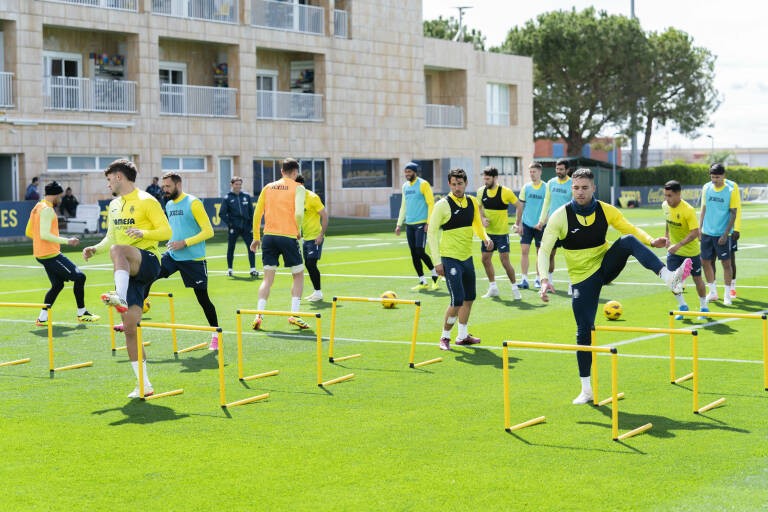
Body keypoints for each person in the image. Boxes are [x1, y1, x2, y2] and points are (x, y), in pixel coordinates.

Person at [537, 168, 692, 404]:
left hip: (605, 265)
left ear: (593, 188)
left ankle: (668, 276)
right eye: (576, 188)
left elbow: (629, 228)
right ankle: (586, 389)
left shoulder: (606, 210)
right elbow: (545, 249)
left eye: (584, 188)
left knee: (627, 241)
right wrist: (544, 279)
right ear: (572, 189)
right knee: (583, 331)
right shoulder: (560, 216)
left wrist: (650, 240)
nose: (580, 192)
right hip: (582, 279)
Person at [83, 159, 172, 399]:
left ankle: (118, 296)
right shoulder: (113, 205)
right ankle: (144, 384)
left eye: (109, 179)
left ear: (120, 177)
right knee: (131, 329)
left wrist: (143, 233)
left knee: (119, 250)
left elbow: (166, 232)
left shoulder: (147, 201)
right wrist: (95, 248)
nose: (108, 183)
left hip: (149, 261)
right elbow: (111, 238)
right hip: (128, 271)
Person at [149, 172, 221, 350]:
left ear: (178, 184)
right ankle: (134, 315)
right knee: (148, 273)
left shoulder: (193, 203)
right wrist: (171, 239)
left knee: (203, 299)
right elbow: (174, 228)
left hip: (194, 259)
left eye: (168, 186)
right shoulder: (169, 203)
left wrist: (184, 242)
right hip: (173, 255)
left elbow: (209, 232)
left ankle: (216, 335)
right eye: (163, 187)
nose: (165, 189)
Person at [427, 168, 493, 351]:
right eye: (454, 184)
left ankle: (462, 335)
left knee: (469, 298)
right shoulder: (442, 205)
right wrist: (437, 262)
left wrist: (486, 238)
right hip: (450, 258)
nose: (457, 187)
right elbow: (431, 233)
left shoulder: (472, 201)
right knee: (457, 301)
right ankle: (444, 336)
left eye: (460, 184)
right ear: (449, 184)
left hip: (467, 258)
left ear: (466, 183)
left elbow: (478, 226)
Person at [25, 181, 100, 326]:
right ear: (55, 195)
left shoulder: (37, 207)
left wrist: (41, 243)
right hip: (50, 254)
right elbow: (45, 235)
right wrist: (67, 241)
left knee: (57, 285)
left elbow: (29, 232)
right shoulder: (47, 210)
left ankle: (42, 318)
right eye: (60, 195)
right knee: (79, 277)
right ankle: (82, 313)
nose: (61, 198)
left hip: (42, 254)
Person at [249, 158, 307, 330]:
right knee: (298, 275)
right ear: (295, 173)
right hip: (287, 236)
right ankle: (294, 314)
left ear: (281, 171)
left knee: (268, 279)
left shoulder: (268, 187)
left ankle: (258, 314)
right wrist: (298, 230)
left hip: (268, 237)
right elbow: (298, 213)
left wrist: (256, 236)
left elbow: (257, 213)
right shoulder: (299, 188)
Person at [662, 180, 709, 319]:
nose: (667, 199)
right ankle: (682, 306)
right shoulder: (665, 206)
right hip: (674, 252)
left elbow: (695, 232)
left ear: (678, 194)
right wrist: (667, 236)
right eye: (665, 195)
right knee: (672, 281)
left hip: (691, 252)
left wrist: (679, 245)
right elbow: (667, 220)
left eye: (669, 195)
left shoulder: (688, 210)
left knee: (697, 279)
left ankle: (704, 307)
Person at [476, 166, 522, 300]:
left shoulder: (505, 192)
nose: (485, 181)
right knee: (485, 259)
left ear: (495, 178)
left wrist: (517, 223)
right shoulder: (480, 192)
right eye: (484, 178)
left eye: (488, 178)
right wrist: (482, 218)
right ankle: (493, 287)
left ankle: (515, 288)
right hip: (487, 234)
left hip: (502, 234)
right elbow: (479, 209)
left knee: (504, 261)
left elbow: (519, 206)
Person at [699, 163, 739, 306]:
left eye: (717, 177)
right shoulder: (706, 187)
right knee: (704, 262)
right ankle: (713, 292)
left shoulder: (730, 189)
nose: (715, 179)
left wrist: (726, 234)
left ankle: (727, 295)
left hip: (722, 234)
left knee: (726, 264)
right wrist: (699, 228)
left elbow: (733, 213)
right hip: (706, 233)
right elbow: (703, 208)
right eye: (712, 176)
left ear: (723, 176)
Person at [395, 162, 439, 291]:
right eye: (406, 172)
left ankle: (435, 274)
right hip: (410, 224)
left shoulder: (423, 184)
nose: (407, 174)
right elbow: (403, 206)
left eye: (409, 172)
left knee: (420, 251)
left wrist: (429, 222)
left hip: (422, 223)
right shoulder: (405, 187)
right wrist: (399, 224)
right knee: (414, 253)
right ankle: (422, 281)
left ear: (415, 172)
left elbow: (431, 204)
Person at [536, 158, 573, 294]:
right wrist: (541, 221)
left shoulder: (572, 184)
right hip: (552, 225)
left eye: (561, 169)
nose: (558, 171)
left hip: (568, 225)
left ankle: (572, 284)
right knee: (549, 253)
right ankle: (549, 281)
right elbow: (547, 202)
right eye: (557, 169)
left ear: (567, 170)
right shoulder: (551, 183)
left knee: (571, 255)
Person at [295, 174, 329, 302]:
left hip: (315, 237)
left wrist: (321, 235)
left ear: (301, 185)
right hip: (306, 238)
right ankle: (316, 292)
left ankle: (319, 293)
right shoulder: (296, 198)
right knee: (308, 265)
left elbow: (325, 216)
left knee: (311, 263)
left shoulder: (312, 197)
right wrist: (298, 231)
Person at [517, 162, 547, 295]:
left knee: (539, 253)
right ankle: (524, 279)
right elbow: (521, 206)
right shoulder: (526, 187)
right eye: (530, 172)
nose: (532, 174)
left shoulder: (546, 187)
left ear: (540, 172)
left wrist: (542, 222)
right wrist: (519, 224)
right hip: (527, 224)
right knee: (524, 251)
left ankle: (537, 279)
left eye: (534, 171)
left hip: (540, 226)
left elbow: (548, 207)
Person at [220, 176, 258, 278]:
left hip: (246, 227)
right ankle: (230, 270)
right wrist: (230, 224)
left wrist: (250, 224)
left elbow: (251, 212)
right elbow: (222, 214)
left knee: (251, 247)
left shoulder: (246, 196)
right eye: (236, 184)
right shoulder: (227, 198)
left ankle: (253, 269)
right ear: (232, 185)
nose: (238, 186)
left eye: (240, 184)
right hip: (234, 227)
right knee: (231, 248)